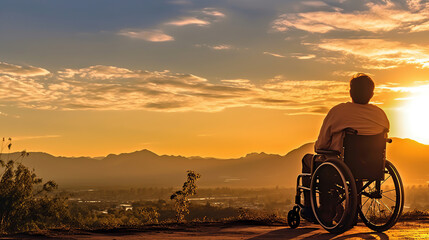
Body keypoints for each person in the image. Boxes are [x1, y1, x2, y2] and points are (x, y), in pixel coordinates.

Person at [300, 73, 390, 223]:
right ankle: (350, 210)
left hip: (339, 166)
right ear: (372, 94)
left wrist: (323, 149)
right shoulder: (380, 115)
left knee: (309, 160)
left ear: (350, 92)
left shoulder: (339, 112)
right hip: (371, 166)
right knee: (353, 166)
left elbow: (321, 145)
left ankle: (312, 209)